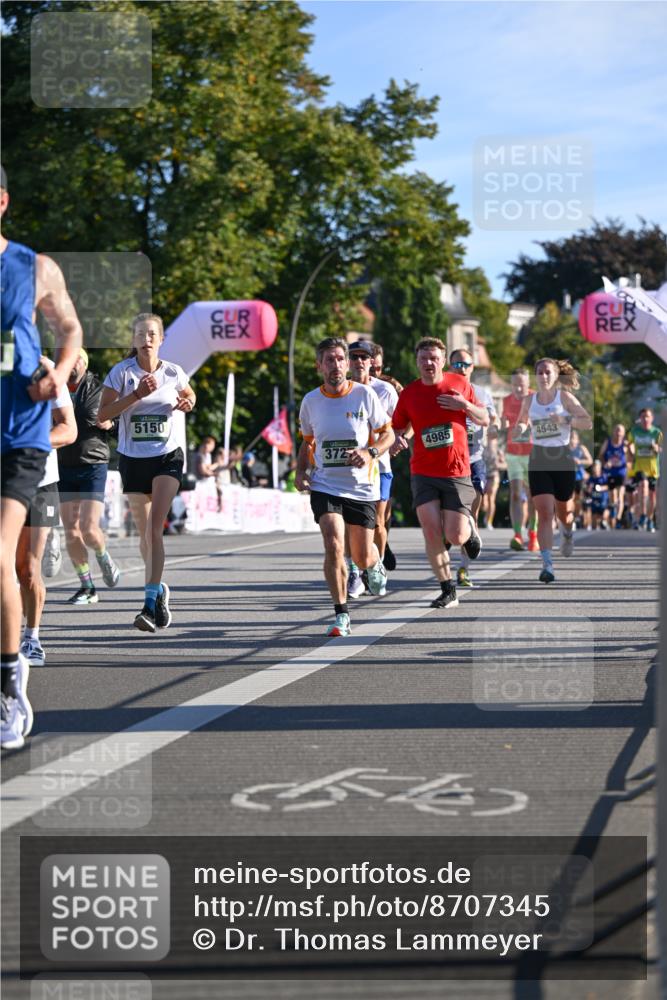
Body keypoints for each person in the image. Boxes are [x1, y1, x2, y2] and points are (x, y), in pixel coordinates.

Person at [1, 165, 82, 749]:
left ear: (2, 201)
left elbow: (71, 326)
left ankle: (8, 687)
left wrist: (57, 369)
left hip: (20, 435)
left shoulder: (33, 267)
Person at [98, 313, 196, 632]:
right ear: (134, 340)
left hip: (168, 455)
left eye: (152, 333)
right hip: (132, 458)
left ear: (162, 339)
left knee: (155, 529)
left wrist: (188, 403)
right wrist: (136, 395)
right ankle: (160, 588)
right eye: (141, 333)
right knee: (145, 535)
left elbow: (189, 394)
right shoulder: (121, 373)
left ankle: (148, 605)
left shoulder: (173, 372)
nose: (147, 338)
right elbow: (103, 414)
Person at [296, 337, 394, 637]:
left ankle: (373, 565)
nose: (336, 365)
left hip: (362, 488)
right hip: (326, 485)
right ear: (319, 366)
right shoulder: (311, 401)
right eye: (330, 359)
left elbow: (387, 434)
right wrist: (300, 471)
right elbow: (307, 443)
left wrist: (370, 452)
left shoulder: (364, 394)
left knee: (362, 555)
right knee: (334, 543)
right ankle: (341, 615)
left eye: (341, 359)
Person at [391, 337, 488, 609]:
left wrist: (465, 407)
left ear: (443, 361)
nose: (428, 363)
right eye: (424, 358)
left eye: (434, 358)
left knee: (455, 535)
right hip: (422, 471)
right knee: (432, 532)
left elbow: (485, 418)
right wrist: (398, 439)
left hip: (455, 470)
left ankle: (468, 534)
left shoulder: (459, 384)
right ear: (417, 362)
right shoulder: (409, 394)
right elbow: (397, 427)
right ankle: (448, 589)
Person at [16, 362, 77, 666]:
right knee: (6, 566)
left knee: (27, 570)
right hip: (6, 483)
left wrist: (29, 442)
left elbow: (69, 428)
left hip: (40, 482)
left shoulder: (46, 369)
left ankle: (32, 637)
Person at [513, 358, 592, 583]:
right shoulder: (529, 400)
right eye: (540, 372)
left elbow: (587, 422)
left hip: (562, 458)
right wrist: (520, 428)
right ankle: (547, 563)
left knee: (564, 512)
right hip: (539, 458)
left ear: (556, 376)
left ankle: (567, 532)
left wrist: (565, 418)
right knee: (545, 512)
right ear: (536, 375)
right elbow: (522, 422)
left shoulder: (564, 398)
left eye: (548, 372)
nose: (544, 376)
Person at [57, 347, 120, 604]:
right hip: (64, 464)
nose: (69, 365)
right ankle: (87, 587)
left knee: (88, 528)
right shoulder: (55, 385)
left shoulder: (99, 388)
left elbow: (119, 418)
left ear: (83, 362)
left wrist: (112, 423)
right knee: (71, 531)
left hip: (93, 462)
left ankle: (104, 557)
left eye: (73, 360)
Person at [346, 339, 399, 599]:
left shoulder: (385, 390)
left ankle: (373, 567)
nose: (358, 362)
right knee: (351, 523)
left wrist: (400, 438)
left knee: (377, 522)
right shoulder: (339, 389)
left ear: (371, 361)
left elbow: (397, 424)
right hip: (349, 469)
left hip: (380, 465)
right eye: (353, 357)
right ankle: (356, 570)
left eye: (363, 358)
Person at [448, 348, 497, 588]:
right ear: (449, 367)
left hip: (474, 458)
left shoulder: (482, 393)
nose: (461, 369)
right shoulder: (443, 390)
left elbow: (490, 418)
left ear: (472, 367)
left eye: (465, 365)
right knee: (449, 515)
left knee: (470, 514)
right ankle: (447, 557)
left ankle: (463, 569)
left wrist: (494, 423)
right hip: (448, 459)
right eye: (456, 365)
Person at [369, 343, 403, 570]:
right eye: (372, 369)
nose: (373, 373)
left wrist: (401, 438)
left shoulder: (390, 387)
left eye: (378, 369)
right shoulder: (348, 387)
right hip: (359, 463)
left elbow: (407, 418)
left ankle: (382, 545)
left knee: (383, 513)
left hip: (387, 457)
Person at [501, 368, 538, 552]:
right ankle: (517, 534)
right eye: (515, 384)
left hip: (532, 453)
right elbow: (503, 422)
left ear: (528, 384)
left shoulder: (536, 398)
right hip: (513, 453)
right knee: (515, 493)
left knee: (532, 495)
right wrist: (500, 426)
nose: (518, 388)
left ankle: (533, 534)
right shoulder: (506, 400)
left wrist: (531, 426)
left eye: (521, 385)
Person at [627, 408, 662, 532]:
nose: (645, 419)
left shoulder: (657, 432)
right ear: (640, 419)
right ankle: (642, 515)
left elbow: (661, 449)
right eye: (643, 417)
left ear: (652, 418)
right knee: (643, 486)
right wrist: (630, 450)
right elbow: (629, 444)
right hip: (639, 468)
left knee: (652, 498)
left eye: (647, 416)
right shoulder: (634, 431)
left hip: (653, 469)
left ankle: (649, 519)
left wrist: (656, 448)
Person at [598, 424, 627, 529]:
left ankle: (618, 518)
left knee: (620, 495)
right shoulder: (608, 442)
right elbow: (600, 455)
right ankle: (612, 516)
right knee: (613, 497)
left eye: (620, 431)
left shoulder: (625, 444)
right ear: (613, 432)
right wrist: (605, 463)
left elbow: (631, 458)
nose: (618, 433)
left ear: (624, 433)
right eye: (617, 430)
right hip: (610, 473)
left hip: (621, 473)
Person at [569, 429, 593, 528]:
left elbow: (590, 461)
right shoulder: (564, 448)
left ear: (577, 440)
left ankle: (578, 516)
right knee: (570, 498)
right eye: (570, 438)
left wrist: (580, 461)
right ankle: (571, 518)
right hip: (568, 476)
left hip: (579, 476)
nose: (571, 440)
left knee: (578, 499)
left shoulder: (581, 448)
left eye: (573, 438)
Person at [481, 425, 500, 529]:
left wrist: (499, 464)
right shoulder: (482, 443)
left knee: (491, 498)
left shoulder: (498, 445)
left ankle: (489, 522)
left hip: (493, 474)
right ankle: (484, 516)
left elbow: (505, 463)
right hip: (482, 473)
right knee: (482, 502)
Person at [585, 460, 610, 530]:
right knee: (594, 520)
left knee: (605, 511)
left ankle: (604, 522)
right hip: (594, 499)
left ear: (600, 467)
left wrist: (601, 488)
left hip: (603, 499)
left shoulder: (604, 476)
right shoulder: (591, 478)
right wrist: (589, 489)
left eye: (596, 466)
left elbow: (608, 486)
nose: (595, 468)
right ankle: (596, 527)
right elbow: (587, 489)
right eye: (594, 466)